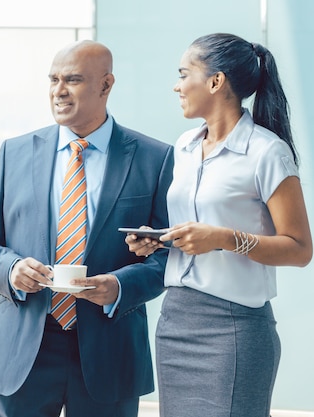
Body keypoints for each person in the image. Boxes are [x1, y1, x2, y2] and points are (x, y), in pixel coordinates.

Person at [0, 40, 174, 417]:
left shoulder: (155, 158)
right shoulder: (15, 152)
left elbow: (169, 256)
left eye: (73, 80)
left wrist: (120, 286)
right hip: (23, 349)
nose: (59, 91)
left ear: (106, 85)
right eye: (53, 79)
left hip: (110, 351)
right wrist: (11, 270)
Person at [125, 33, 313, 417]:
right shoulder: (184, 147)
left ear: (215, 81)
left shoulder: (267, 152)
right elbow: (196, 232)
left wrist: (224, 239)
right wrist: (162, 241)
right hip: (176, 321)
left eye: (183, 73)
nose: (176, 85)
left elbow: (299, 249)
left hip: (235, 328)